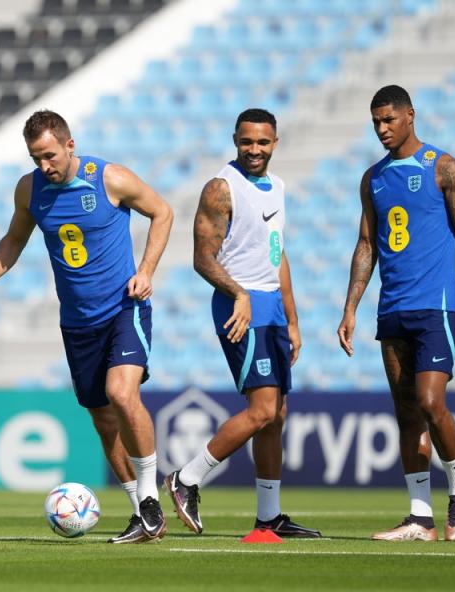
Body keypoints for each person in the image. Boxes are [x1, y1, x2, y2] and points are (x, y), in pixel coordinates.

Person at [0, 110, 174, 543]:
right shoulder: (30, 189)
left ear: (69, 145)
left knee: (121, 393)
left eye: (49, 155)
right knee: (102, 418)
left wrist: (148, 270)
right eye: (35, 157)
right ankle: (141, 512)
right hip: (77, 323)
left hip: (124, 306)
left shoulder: (110, 178)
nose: (45, 165)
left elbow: (163, 212)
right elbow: (15, 239)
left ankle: (152, 497)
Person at [338, 85, 455, 542]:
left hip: (437, 305)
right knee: (407, 415)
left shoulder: (445, 168)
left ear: (410, 116)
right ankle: (419, 518)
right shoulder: (374, 178)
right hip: (393, 308)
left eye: (389, 120)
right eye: (376, 122)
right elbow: (367, 245)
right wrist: (350, 308)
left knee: (429, 402)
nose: (382, 129)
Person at [164, 108, 321, 539]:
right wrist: (240, 294)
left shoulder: (278, 188)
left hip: (270, 307)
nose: (254, 150)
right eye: (247, 141)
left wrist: (292, 319)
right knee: (263, 409)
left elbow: (277, 253)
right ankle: (187, 479)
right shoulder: (221, 188)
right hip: (240, 307)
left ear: (275, 143)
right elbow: (202, 258)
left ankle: (269, 517)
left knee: (277, 415)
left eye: (263, 142)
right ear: (235, 139)